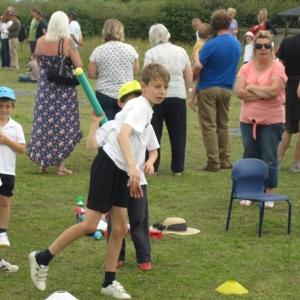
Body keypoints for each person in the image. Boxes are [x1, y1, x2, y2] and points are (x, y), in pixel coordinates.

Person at [28, 63, 170, 299]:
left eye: (165, 86)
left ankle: (108, 282)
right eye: (157, 86)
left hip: (122, 170)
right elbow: (123, 136)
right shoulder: (140, 107)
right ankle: (42, 258)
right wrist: (133, 169)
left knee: (120, 228)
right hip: (109, 166)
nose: (162, 91)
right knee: (89, 225)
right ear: (144, 86)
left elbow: (135, 144)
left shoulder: (145, 107)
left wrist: (132, 173)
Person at [87, 80, 156, 272]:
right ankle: (117, 256)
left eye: (137, 97)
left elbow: (153, 150)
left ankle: (144, 257)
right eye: (129, 99)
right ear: (121, 103)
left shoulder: (145, 123)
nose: (135, 102)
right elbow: (91, 145)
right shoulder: (111, 126)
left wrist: (149, 162)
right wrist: (94, 124)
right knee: (117, 223)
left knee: (139, 218)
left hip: (137, 179)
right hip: (118, 177)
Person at [26, 11, 83, 175]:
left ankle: (43, 164)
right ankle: (61, 166)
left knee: (43, 125)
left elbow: (37, 61)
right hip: (63, 90)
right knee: (63, 126)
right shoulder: (68, 42)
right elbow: (79, 65)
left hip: (44, 89)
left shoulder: (40, 41)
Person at [236, 30, 287, 208]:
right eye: (259, 46)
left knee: (269, 158)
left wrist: (251, 87)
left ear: (272, 48)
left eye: (267, 46)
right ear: (254, 49)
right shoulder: (245, 67)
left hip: (272, 121)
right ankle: (250, 192)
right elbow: (239, 92)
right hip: (248, 121)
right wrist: (263, 93)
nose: (263, 49)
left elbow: (274, 92)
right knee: (250, 156)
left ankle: (268, 193)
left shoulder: (278, 67)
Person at [192, 9, 241, 172]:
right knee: (223, 124)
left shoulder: (209, 45)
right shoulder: (237, 44)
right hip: (227, 88)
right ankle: (225, 159)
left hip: (208, 88)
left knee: (209, 126)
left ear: (213, 25)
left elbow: (197, 69)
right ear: (229, 23)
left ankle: (213, 162)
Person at [144, 23, 193, 175]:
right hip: (178, 95)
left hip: (156, 96)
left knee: (153, 131)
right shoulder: (181, 51)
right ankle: (178, 168)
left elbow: (146, 76)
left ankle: (153, 166)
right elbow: (189, 73)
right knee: (178, 133)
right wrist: (184, 91)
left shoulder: (151, 53)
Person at [88, 19, 139, 121]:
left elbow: (91, 74)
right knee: (124, 128)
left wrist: (104, 74)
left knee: (106, 130)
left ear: (105, 31)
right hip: (126, 94)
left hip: (104, 94)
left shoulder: (98, 50)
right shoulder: (130, 49)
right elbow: (136, 72)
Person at [0, 87, 26, 248]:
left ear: (13, 107)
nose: (4, 110)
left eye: (7, 106)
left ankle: (2, 232)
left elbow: (21, 149)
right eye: (0, 106)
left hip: (7, 169)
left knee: (4, 201)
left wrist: (6, 140)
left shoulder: (16, 127)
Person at [277, 16, 300, 172]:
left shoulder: (287, 42)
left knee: (289, 127)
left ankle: (278, 160)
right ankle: (296, 163)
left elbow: (281, 65)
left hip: (291, 84)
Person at [188, 23, 214, 112]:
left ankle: (197, 100)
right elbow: (196, 53)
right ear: (209, 36)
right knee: (197, 83)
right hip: (195, 64)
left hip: (194, 64)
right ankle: (191, 100)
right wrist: (197, 63)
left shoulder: (198, 42)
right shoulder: (202, 44)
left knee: (200, 83)